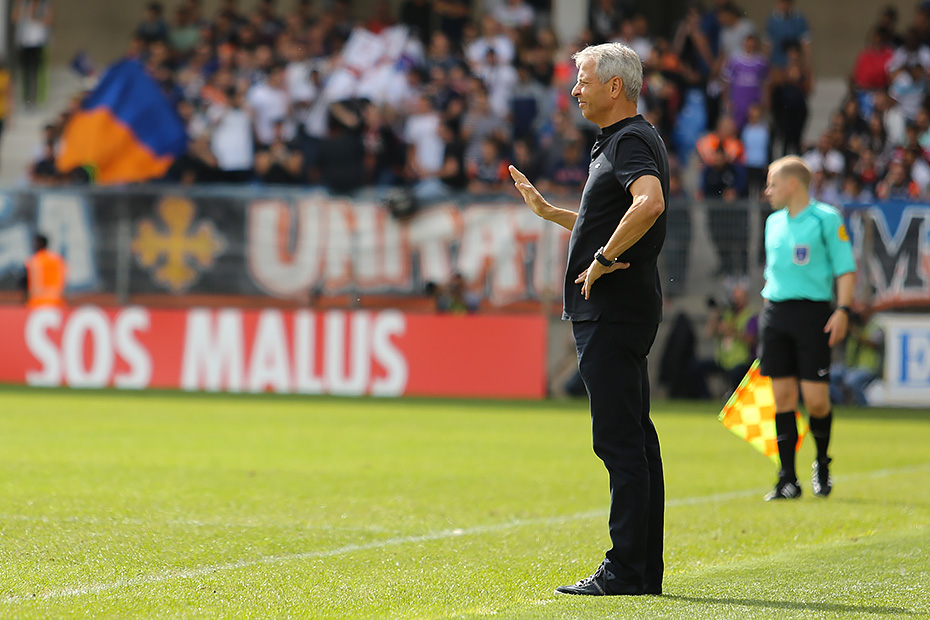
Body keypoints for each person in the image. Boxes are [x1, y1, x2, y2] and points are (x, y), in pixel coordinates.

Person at [509, 42, 668, 596]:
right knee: (636, 441)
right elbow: (616, 214)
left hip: (611, 311)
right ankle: (642, 570)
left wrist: (600, 259)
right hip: (622, 310)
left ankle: (625, 570)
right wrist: (554, 213)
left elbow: (648, 204)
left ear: (614, 86)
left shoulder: (628, 140)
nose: (575, 90)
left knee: (619, 443)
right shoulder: (626, 139)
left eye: (582, 80)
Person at [759, 156, 856, 501]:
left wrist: (842, 310)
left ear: (792, 184)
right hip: (776, 314)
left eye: (772, 183)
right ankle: (787, 478)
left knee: (816, 401)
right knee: (783, 398)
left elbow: (845, 268)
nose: (767, 191)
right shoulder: (772, 222)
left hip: (813, 314)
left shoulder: (826, 219)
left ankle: (822, 462)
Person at [20, 234, 67, 308]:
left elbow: (34, 284)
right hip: (57, 301)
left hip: (38, 302)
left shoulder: (34, 260)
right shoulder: (57, 260)